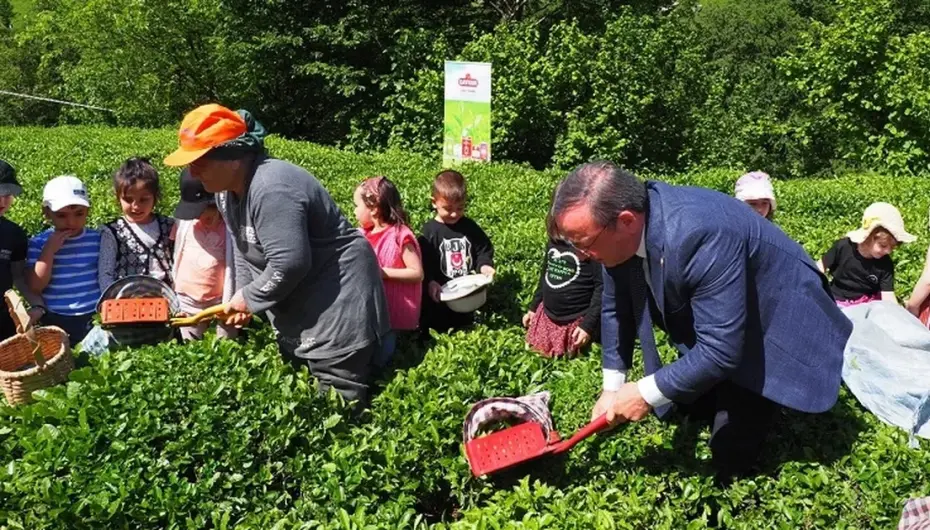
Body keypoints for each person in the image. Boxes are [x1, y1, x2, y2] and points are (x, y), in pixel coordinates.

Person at [547, 161, 852, 485]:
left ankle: (760, 398)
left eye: (584, 242)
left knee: (729, 457)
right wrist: (612, 389)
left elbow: (721, 350)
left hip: (776, 319)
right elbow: (614, 306)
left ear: (626, 221)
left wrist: (643, 394)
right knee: (688, 404)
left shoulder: (700, 233)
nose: (581, 254)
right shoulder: (624, 230)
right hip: (727, 319)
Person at [163, 103, 390, 406]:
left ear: (233, 157)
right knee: (301, 390)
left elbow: (289, 263)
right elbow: (244, 248)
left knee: (337, 400)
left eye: (200, 161)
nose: (192, 171)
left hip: (337, 299)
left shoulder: (272, 188)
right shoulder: (225, 192)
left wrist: (249, 298)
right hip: (301, 302)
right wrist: (244, 297)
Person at [353, 176, 422, 367]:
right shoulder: (363, 234)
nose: (354, 212)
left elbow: (416, 273)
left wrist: (383, 273)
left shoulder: (400, 235)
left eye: (357, 206)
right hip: (370, 308)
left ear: (374, 208)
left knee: (383, 357)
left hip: (391, 310)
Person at [25, 176, 101, 344]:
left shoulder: (97, 239)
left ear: (88, 210)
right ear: (47, 213)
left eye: (79, 214)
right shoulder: (39, 243)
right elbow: (36, 286)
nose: (71, 222)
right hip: (57, 316)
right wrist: (48, 251)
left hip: (94, 313)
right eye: (61, 215)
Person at [418, 170, 495, 332]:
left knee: (468, 324)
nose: (454, 214)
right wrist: (430, 281)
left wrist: (484, 265)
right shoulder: (429, 231)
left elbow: (483, 248)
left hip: (466, 291)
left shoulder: (469, 227)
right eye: (448, 208)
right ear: (434, 202)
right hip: (440, 294)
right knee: (440, 325)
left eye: (460, 208)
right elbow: (423, 262)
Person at [172, 169, 237, 341]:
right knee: (189, 344)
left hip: (220, 302)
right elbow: (175, 250)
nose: (200, 216)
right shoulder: (185, 224)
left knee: (225, 344)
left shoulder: (230, 228)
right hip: (188, 301)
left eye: (206, 209)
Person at [98, 158, 175, 291]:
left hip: (165, 295)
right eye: (128, 199)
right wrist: (112, 297)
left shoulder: (168, 225)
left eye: (143, 200)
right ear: (118, 198)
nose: (136, 206)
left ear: (155, 197)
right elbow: (106, 272)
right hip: (128, 297)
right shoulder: (114, 231)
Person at [817, 202, 914, 307]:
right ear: (868, 237)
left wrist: (895, 311)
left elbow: (888, 296)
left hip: (867, 303)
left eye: (892, 247)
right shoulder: (843, 247)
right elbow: (820, 267)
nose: (888, 251)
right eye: (883, 245)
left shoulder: (885, 264)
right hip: (837, 298)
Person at [522, 237, 603, 357]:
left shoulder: (590, 245)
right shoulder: (555, 240)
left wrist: (587, 326)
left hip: (576, 318)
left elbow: (601, 287)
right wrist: (533, 308)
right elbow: (545, 275)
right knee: (535, 351)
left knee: (570, 354)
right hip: (548, 314)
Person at [0, 160, 46, 340]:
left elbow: (18, 277)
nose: (3, 200)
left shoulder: (14, 234)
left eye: (8, 194)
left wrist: (37, 306)